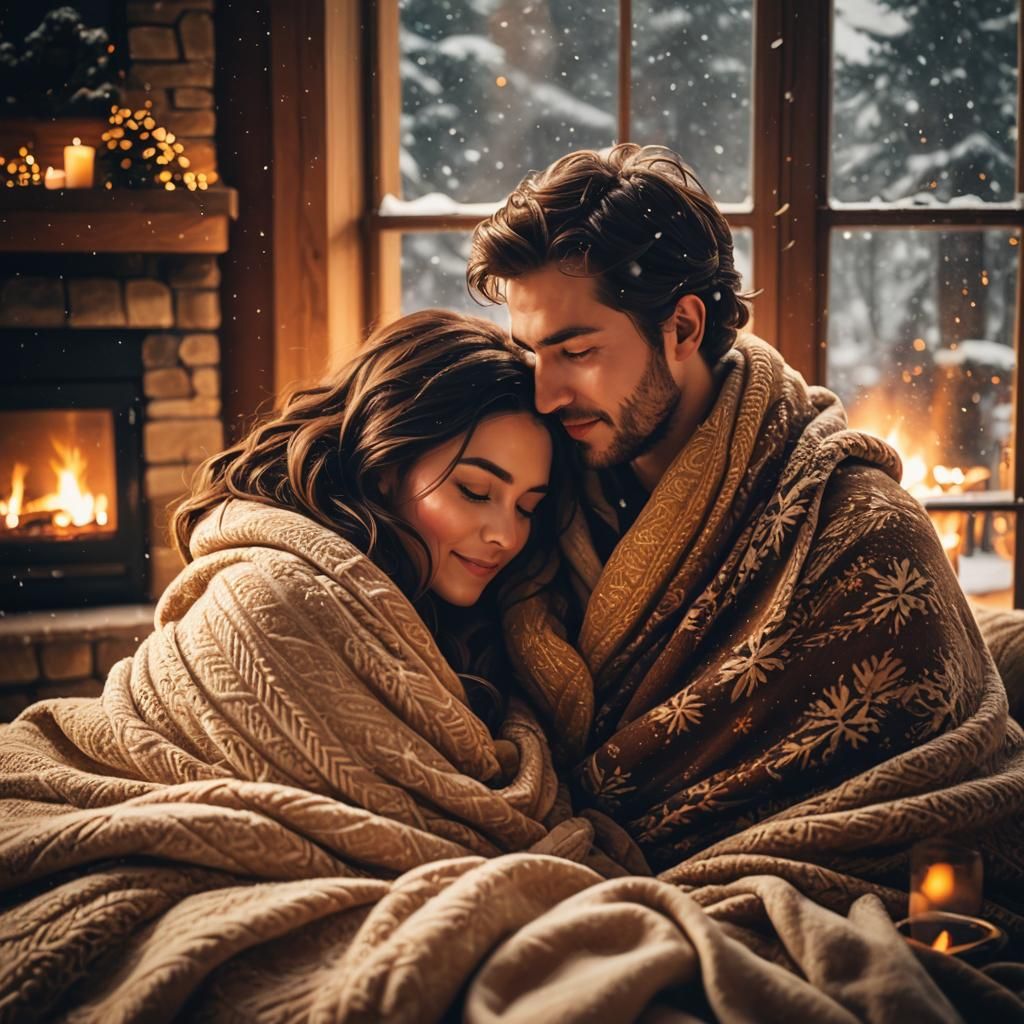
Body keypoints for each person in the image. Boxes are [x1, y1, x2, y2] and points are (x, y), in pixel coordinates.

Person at [468, 142, 1024, 928]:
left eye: (578, 351)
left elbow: (944, 810)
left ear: (683, 326)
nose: (547, 393)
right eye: (531, 353)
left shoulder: (865, 534)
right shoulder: (539, 495)